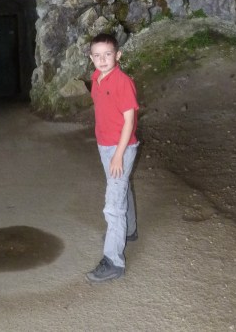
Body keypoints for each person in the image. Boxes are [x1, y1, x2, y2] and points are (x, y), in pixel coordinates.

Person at [86, 32, 139, 283]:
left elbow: (129, 120)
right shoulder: (96, 77)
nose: (102, 59)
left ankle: (114, 262)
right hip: (104, 145)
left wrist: (118, 155)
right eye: (97, 56)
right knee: (121, 186)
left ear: (117, 55)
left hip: (121, 147)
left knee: (113, 206)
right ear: (91, 58)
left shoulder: (122, 82)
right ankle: (129, 230)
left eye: (108, 54)